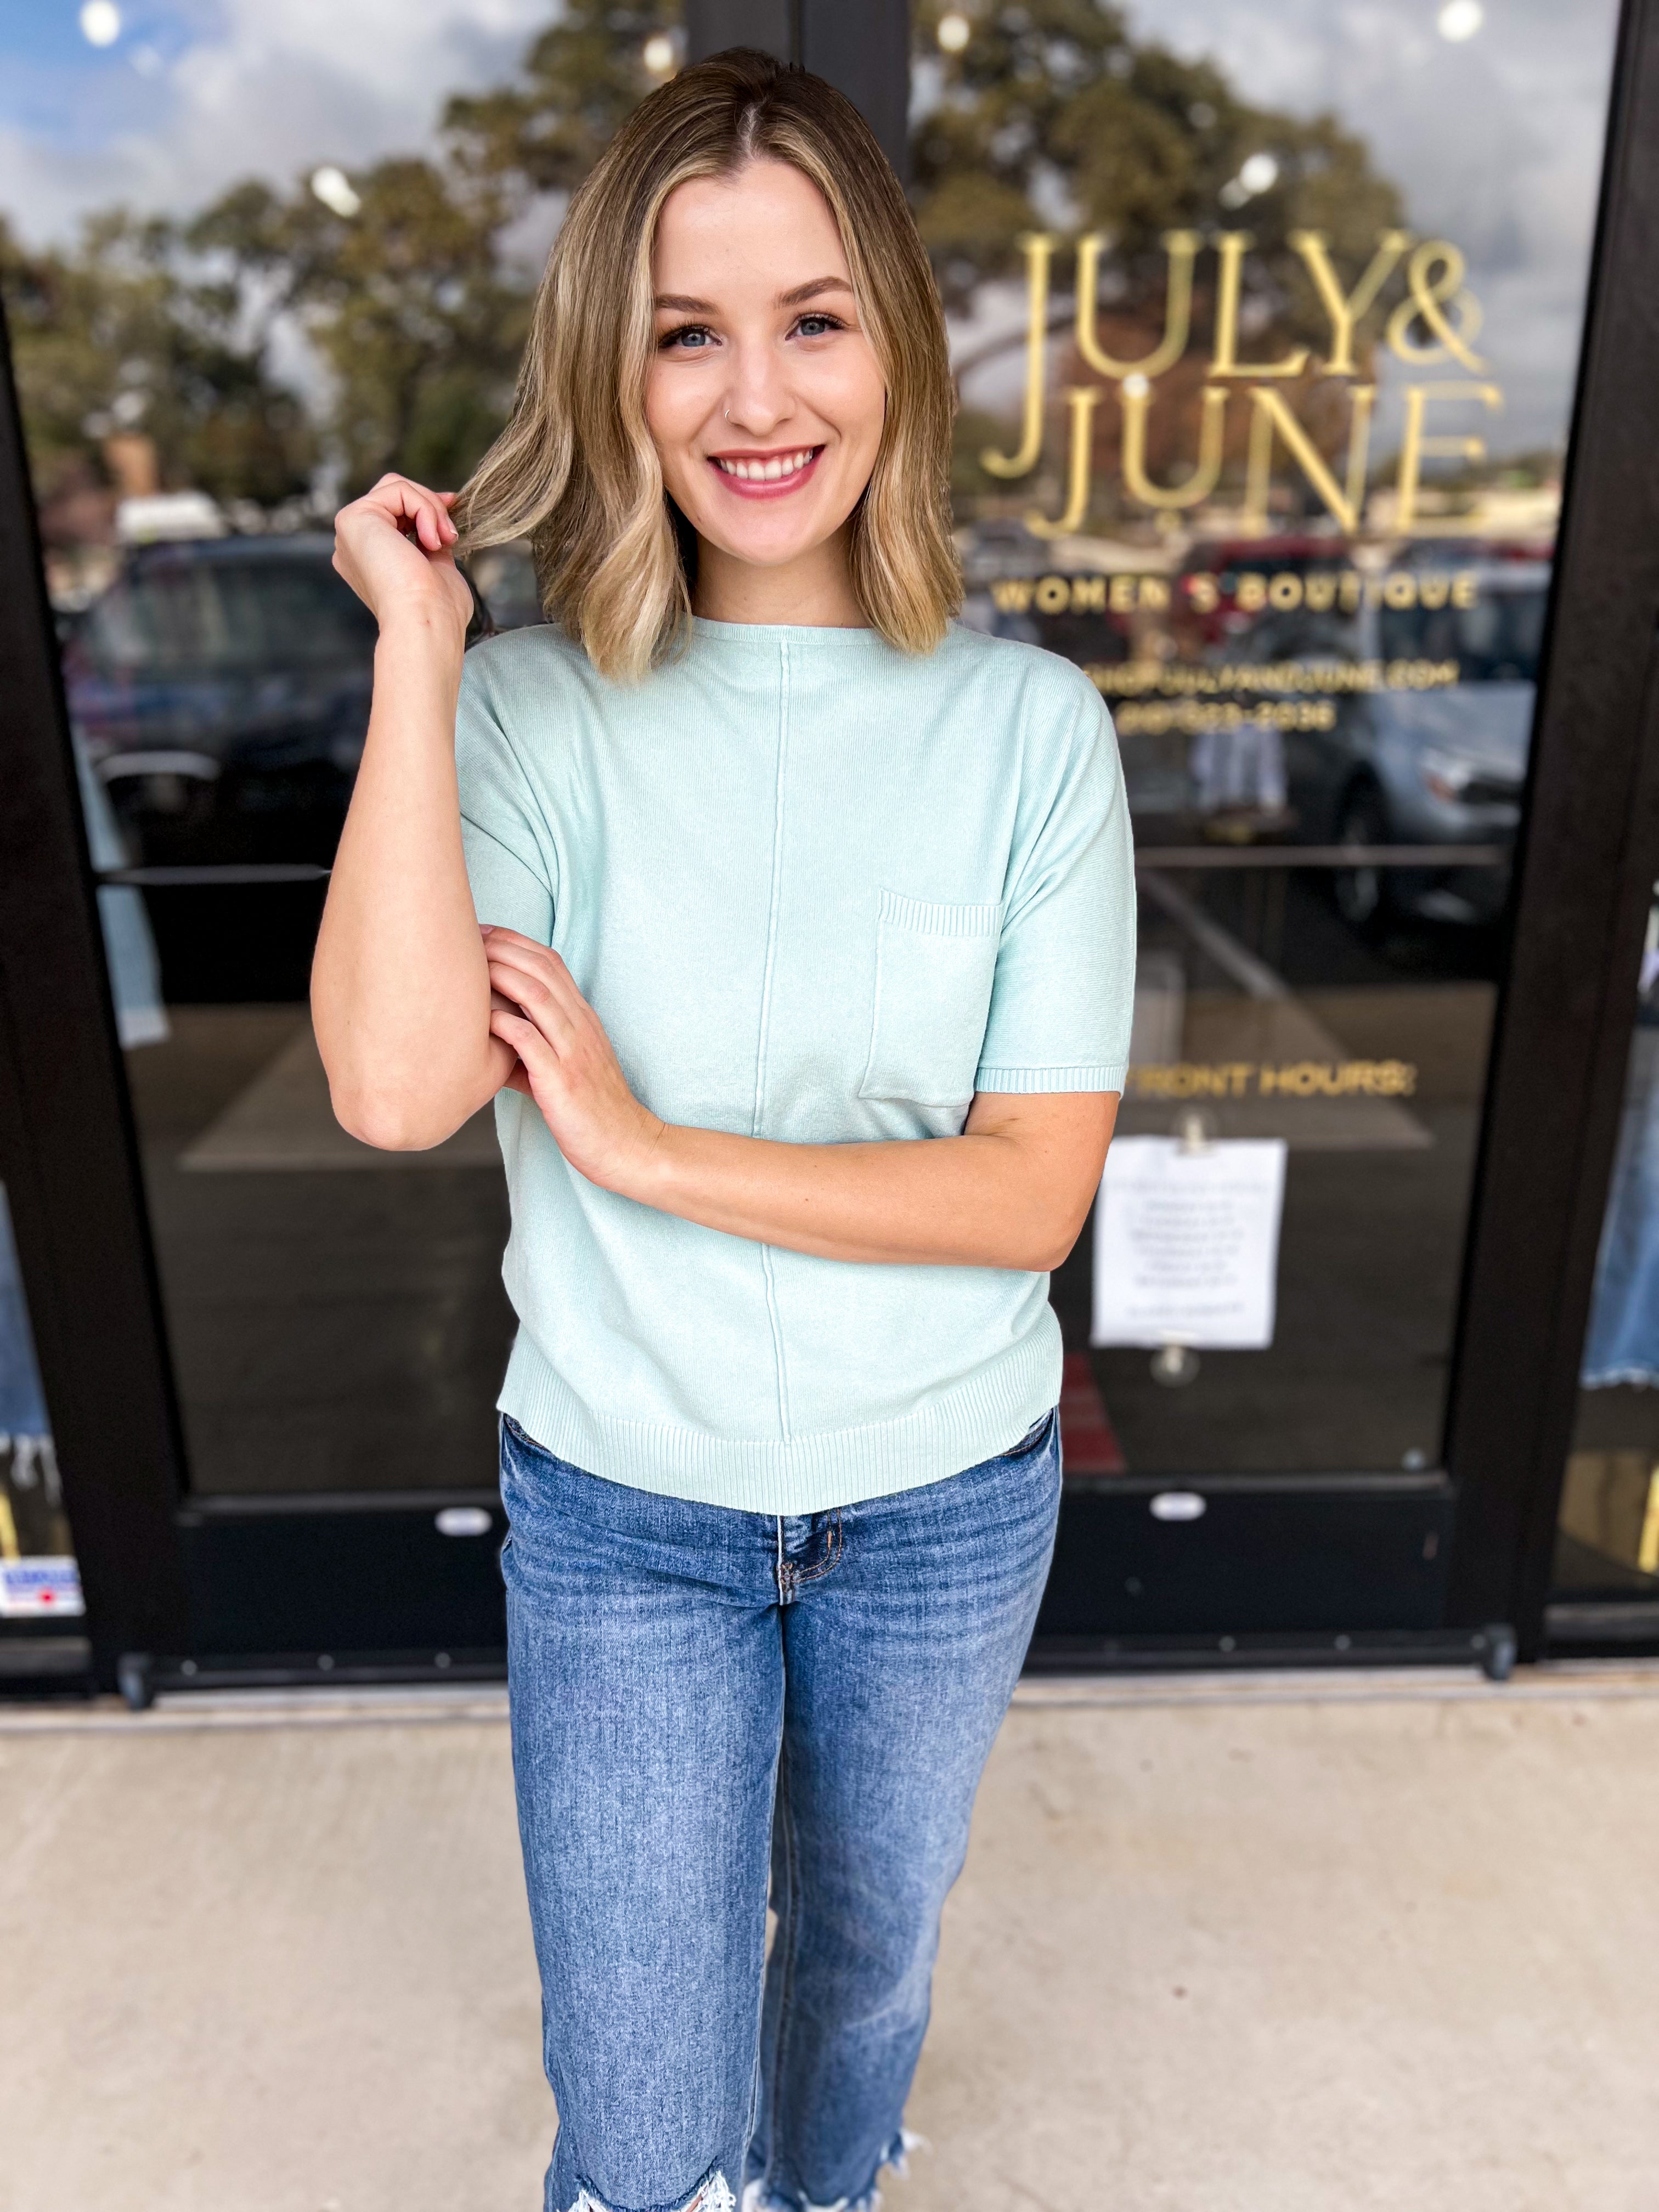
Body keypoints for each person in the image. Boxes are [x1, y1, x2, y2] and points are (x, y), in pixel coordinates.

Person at [313, 48, 1133, 2212]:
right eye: (688, 330)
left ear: (896, 350)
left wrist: (649, 1152)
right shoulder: (526, 713)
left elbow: (1027, 1198)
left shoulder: (1031, 730)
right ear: (617, 365)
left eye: (814, 318)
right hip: (627, 1514)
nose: (753, 395)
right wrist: (420, 651)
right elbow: (399, 1088)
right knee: (648, 2103)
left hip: (946, 1501)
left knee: (859, 1990)